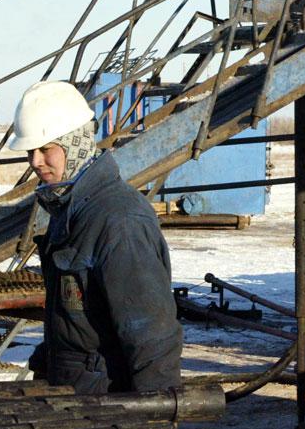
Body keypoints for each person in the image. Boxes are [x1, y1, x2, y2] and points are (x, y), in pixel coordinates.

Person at [14, 80, 182, 394]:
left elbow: (152, 336)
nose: (35, 161)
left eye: (46, 149)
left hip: (106, 398)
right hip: (74, 391)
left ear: (74, 143)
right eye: (30, 151)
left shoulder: (118, 220)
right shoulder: (71, 209)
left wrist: (157, 411)